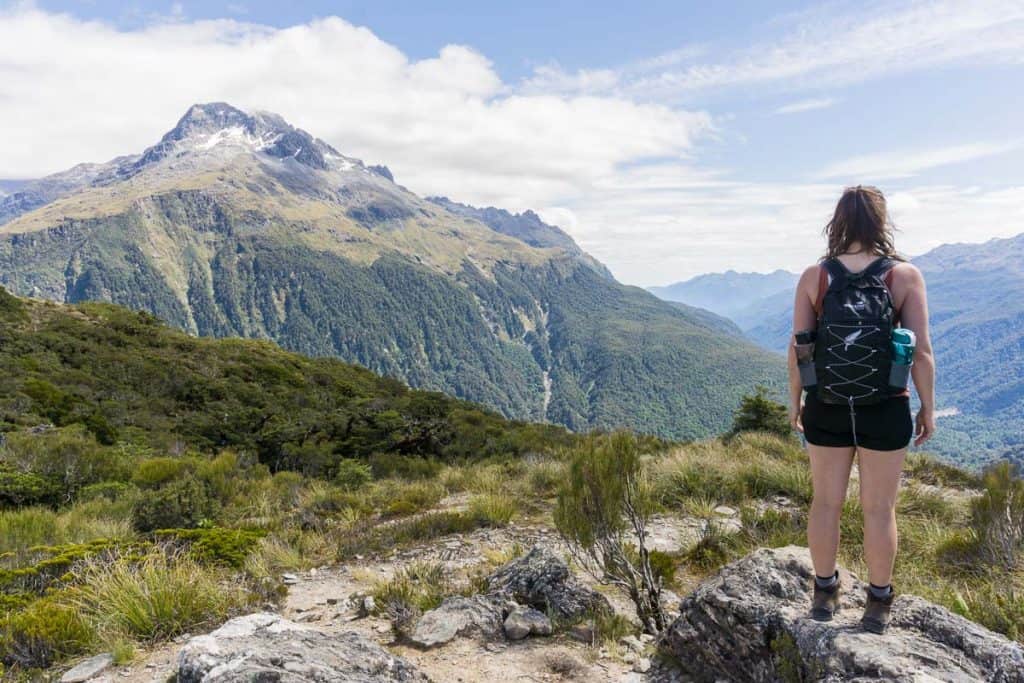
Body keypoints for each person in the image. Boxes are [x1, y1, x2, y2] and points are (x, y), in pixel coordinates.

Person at [787, 185, 935, 634]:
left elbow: (799, 349)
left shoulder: (816, 276)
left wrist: (795, 403)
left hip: (827, 406)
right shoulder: (904, 277)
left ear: (839, 222)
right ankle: (876, 605)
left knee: (826, 502)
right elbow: (921, 351)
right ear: (881, 222)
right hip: (885, 407)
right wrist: (927, 407)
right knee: (879, 509)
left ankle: (824, 594)